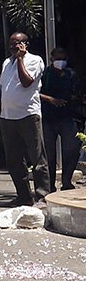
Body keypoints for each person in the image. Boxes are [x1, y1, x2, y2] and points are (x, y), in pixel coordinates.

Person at [0, 32, 49, 206]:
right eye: (11, 43)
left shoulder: (35, 60)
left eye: (17, 43)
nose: (13, 46)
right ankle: (24, 196)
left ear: (26, 44)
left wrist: (20, 59)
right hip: (7, 117)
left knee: (37, 158)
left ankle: (43, 196)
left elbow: (27, 82)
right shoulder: (6, 62)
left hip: (28, 115)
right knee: (14, 160)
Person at [40, 45, 80, 192]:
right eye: (58, 59)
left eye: (63, 59)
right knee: (48, 155)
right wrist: (51, 99)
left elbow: (77, 92)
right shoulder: (45, 74)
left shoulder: (71, 74)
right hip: (48, 118)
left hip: (68, 118)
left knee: (72, 148)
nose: (60, 61)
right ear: (51, 59)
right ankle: (49, 186)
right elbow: (34, 92)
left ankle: (67, 181)